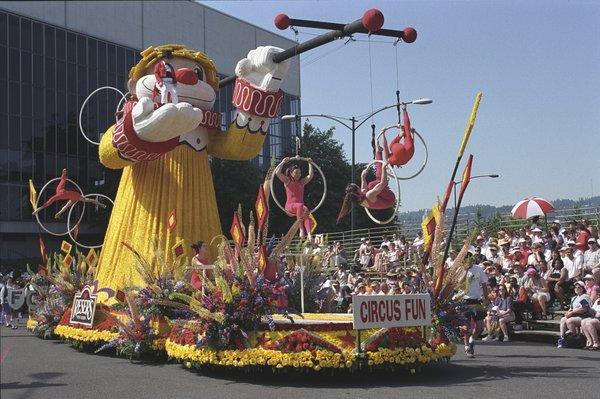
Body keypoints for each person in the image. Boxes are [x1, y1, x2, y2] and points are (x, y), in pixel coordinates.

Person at [336, 137, 395, 224]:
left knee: (372, 184)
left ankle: (378, 152)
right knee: (372, 184)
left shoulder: (359, 200)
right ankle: (379, 152)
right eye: (357, 187)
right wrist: (384, 168)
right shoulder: (369, 195)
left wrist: (362, 177)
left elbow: (364, 190)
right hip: (390, 199)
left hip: (381, 198)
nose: (360, 187)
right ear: (357, 192)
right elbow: (383, 183)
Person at [32, 169, 106, 219]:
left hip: (71, 195)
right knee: (70, 204)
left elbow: (48, 203)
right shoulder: (59, 192)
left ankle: (58, 213)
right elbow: (49, 202)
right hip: (72, 195)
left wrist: (38, 210)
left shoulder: (58, 193)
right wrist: (64, 173)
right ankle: (59, 213)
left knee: (70, 204)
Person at [275, 157, 315, 239]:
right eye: (296, 173)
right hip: (289, 207)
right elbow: (277, 173)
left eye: (299, 173)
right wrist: (283, 162)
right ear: (291, 173)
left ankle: (309, 235)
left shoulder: (302, 182)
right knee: (300, 206)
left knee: (306, 210)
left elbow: (310, 175)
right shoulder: (287, 181)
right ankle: (301, 229)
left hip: (299, 208)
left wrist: (310, 163)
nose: (298, 175)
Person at [462, 256, 489, 357]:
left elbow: (484, 284)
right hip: (465, 301)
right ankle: (466, 347)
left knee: (480, 327)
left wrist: (486, 298)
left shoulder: (478, 269)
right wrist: (465, 271)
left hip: (477, 300)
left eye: (469, 260)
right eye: (466, 260)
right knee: (466, 327)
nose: (468, 262)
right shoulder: (461, 270)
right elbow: (459, 284)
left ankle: (471, 340)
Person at [557, 281, 593, 348]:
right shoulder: (574, 298)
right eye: (575, 287)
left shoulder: (584, 297)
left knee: (570, 321)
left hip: (584, 316)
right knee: (563, 319)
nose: (576, 289)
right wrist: (568, 313)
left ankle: (575, 337)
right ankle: (562, 337)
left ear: (582, 289)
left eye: (578, 287)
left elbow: (585, 308)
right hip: (575, 315)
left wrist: (572, 312)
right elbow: (571, 308)